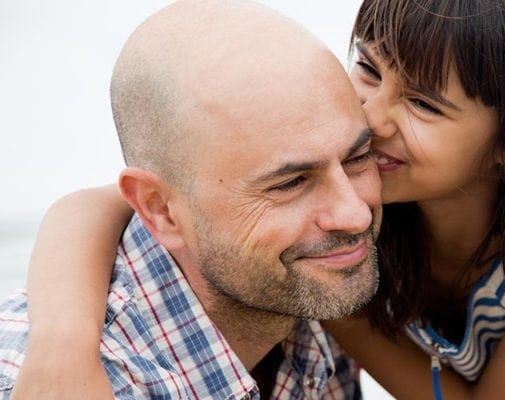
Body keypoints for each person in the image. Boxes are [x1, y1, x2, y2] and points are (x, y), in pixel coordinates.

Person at [11, 0, 505, 399]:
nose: (373, 115)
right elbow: (97, 205)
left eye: (421, 102)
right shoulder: (377, 187)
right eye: (368, 67)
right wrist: (62, 350)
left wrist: (333, 302)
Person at [0, 0, 383, 399]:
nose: (354, 215)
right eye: (290, 184)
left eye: (358, 158)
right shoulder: (55, 385)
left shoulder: (321, 297)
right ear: (160, 209)